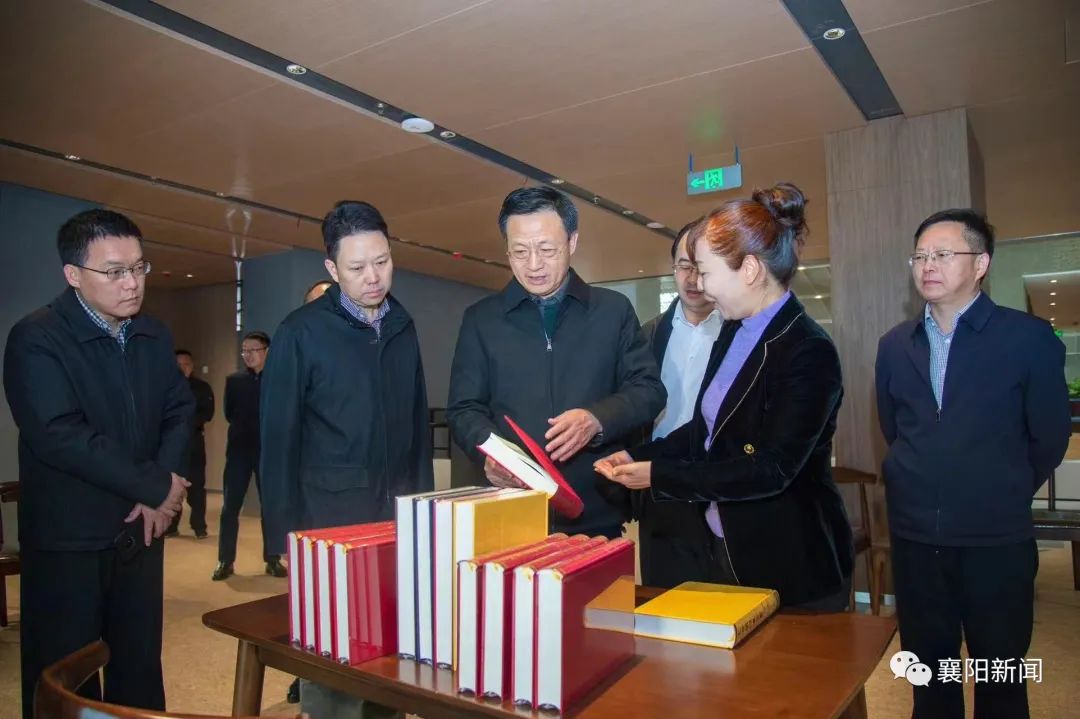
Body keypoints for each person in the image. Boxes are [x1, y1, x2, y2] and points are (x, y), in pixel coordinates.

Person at [597, 183, 854, 610]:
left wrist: (660, 476)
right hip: (724, 548)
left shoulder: (807, 349)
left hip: (790, 560)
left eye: (706, 271)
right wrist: (640, 455)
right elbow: (707, 429)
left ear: (749, 269)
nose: (700, 285)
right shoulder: (734, 331)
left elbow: (771, 469)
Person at [875, 209, 1069, 718]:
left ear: (980, 264)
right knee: (928, 673)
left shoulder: (1027, 338)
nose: (928, 265)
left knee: (998, 672)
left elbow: (1048, 436)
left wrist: (1001, 485)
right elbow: (895, 429)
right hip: (916, 538)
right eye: (920, 255)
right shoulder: (895, 345)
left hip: (995, 539)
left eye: (943, 254)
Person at [4, 209, 193, 719]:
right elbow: (58, 434)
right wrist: (155, 485)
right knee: (67, 681)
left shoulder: (153, 334)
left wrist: (162, 490)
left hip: (141, 532)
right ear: (73, 274)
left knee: (138, 672)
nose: (132, 283)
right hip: (69, 540)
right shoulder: (37, 337)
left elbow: (180, 411)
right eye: (114, 272)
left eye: (138, 267)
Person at [260, 200, 433, 719]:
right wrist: (281, 535)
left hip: (396, 516)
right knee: (334, 660)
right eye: (357, 267)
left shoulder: (402, 324)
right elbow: (278, 437)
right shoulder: (301, 331)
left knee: (391, 655)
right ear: (332, 270)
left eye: (382, 261)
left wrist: (422, 512)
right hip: (329, 519)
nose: (373, 277)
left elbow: (417, 425)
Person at [447, 187, 666, 539]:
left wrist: (596, 419)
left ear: (572, 241)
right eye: (520, 251)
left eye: (547, 250)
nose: (533, 264)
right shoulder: (481, 320)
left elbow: (649, 390)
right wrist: (489, 456)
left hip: (594, 510)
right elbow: (464, 409)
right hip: (510, 510)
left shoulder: (612, 311)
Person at [636, 218, 723, 587]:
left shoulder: (737, 333)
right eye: (684, 266)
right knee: (662, 596)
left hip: (717, 487)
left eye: (701, 267)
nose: (692, 279)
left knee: (721, 600)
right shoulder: (647, 335)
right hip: (660, 486)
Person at [212, 331, 283, 579]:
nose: (248, 355)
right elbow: (229, 413)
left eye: (253, 350)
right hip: (239, 452)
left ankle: (272, 559)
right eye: (244, 350)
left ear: (267, 351)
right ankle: (225, 561)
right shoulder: (234, 381)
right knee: (230, 507)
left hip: (269, 452)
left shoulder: (278, 380)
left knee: (270, 508)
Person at [167, 349, 214, 538]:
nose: (182, 368)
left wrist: (186, 423)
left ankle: (199, 526)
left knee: (197, 487)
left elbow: (207, 413)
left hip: (194, 441)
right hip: (171, 443)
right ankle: (171, 526)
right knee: (172, 485)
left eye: (186, 364)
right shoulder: (165, 386)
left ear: (192, 366)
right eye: (178, 365)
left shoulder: (201, 387)